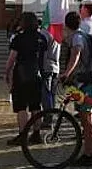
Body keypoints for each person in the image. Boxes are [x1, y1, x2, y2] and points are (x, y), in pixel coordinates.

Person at [60, 7, 92, 165]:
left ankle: (88, 154)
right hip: (90, 80)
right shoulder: (83, 35)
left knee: (86, 119)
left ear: (66, 26)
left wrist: (66, 73)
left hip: (85, 82)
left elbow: (76, 55)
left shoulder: (77, 38)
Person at [5, 12, 46, 146]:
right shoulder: (41, 38)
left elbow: (12, 58)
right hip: (37, 74)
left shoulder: (19, 38)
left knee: (21, 106)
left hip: (21, 74)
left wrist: (7, 72)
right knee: (36, 105)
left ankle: (23, 134)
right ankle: (36, 133)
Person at [37, 15, 60, 118]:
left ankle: (48, 117)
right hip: (55, 66)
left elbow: (41, 52)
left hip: (46, 66)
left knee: (46, 93)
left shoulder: (44, 34)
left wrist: (39, 67)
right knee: (52, 93)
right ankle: (53, 114)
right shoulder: (57, 34)